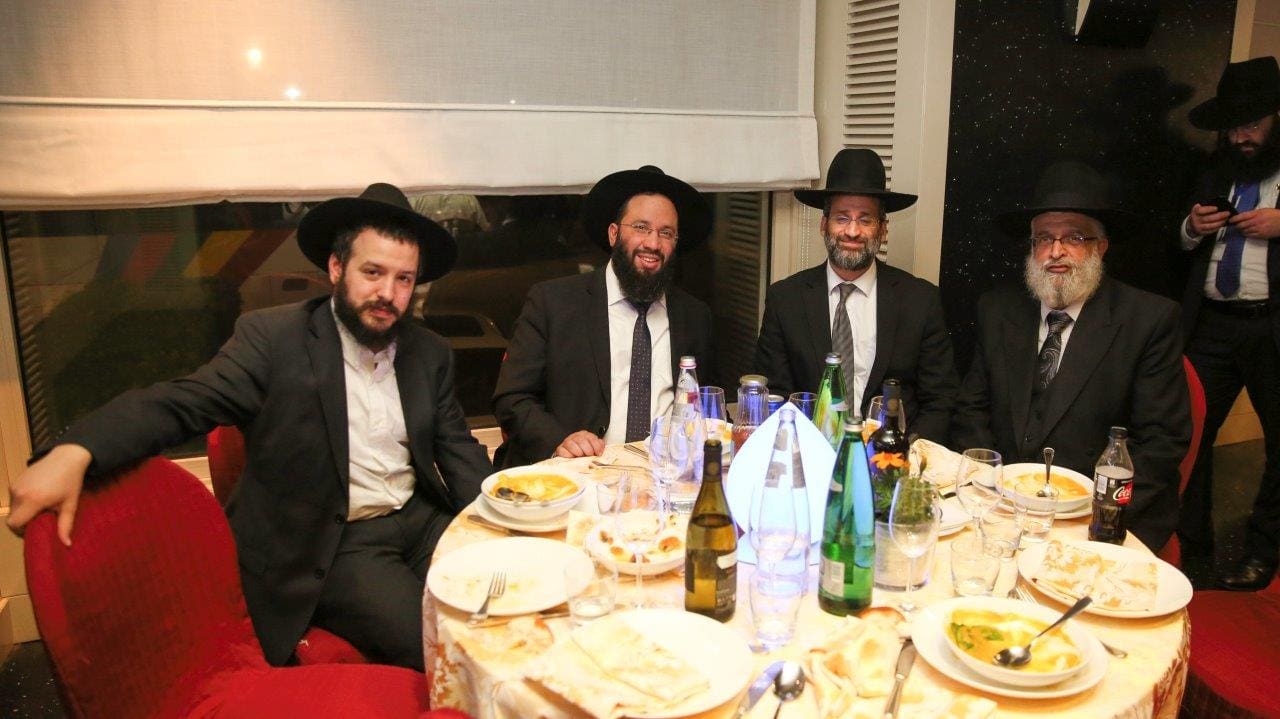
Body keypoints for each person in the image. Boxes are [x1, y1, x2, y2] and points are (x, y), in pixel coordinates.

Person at [6, 183, 492, 670]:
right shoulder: (273, 339)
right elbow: (183, 402)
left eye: (404, 279)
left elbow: (456, 446)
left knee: (511, 599)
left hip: (422, 519)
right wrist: (78, 449)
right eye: (373, 272)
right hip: (339, 541)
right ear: (336, 267)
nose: (388, 294)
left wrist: (502, 524)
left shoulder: (428, 351)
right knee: (441, 643)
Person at [953, 160, 1190, 552]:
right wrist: (989, 486)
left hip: (1097, 518)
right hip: (1003, 506)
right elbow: (971, 410)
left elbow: (1161, 443)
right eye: (1044, 238)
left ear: (1101, 247)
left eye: (1074, 238)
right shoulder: (998, 309)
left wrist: (1096, 513)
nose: (1056, 251)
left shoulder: (1149, 321)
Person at [492, 166, 715, 467]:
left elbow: (708, 407)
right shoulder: (553, 303)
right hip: (575, 473)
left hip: (664, 475)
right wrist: (559, 441)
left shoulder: (695, 317)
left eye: (666, 233)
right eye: (641, 227)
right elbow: (512, 398)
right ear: (613, 234)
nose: (653, 244)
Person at [753, 148, 958, 442]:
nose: (852, 231)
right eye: (841, 218)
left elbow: (941, 400)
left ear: (883, 229)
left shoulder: (920, 301)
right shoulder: (785, 300)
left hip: (893, 456)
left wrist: (901, 453)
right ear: (824, 225)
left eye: (865, 219)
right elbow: (774, 396)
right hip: (811, 454)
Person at [1179, 56, 1280, 590]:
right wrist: (1192, 228)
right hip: (1212, 325)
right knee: (1189, 433)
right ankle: (1193, 550)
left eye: (1253, 124)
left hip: (1271, 326)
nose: (1242, 136)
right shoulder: (1213, 170)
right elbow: (1179, 245)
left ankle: (1261, 552)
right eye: (1234, 127)